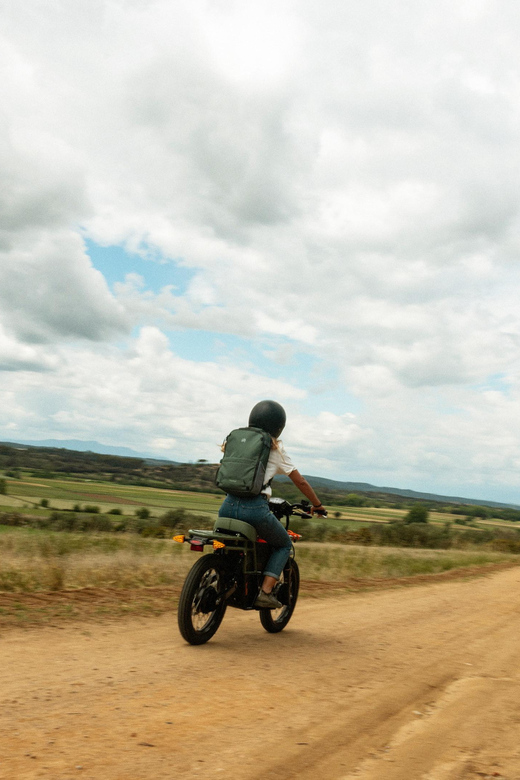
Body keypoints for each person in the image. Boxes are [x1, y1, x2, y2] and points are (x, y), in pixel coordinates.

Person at [218, 400, 327, 609]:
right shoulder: (275, 450)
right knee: (284, 544)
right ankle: (265, 592)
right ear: (279, 426)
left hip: (227, 506)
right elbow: (300, 481)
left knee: (228, 548)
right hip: (254, 510)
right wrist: (317, 505)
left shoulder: (237, 444)